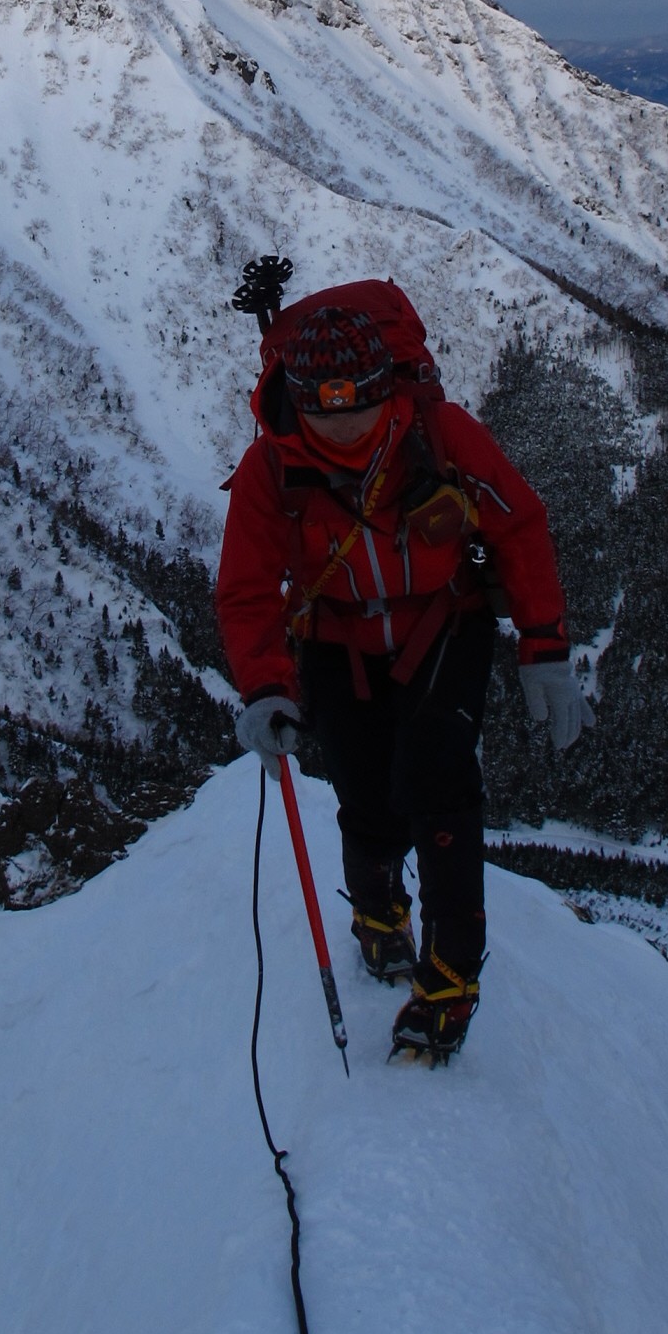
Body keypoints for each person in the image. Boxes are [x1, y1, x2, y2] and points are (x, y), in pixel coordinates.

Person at [216, 280, 591, 1063]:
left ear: (387, 386)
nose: (343, 424)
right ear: (297, 399)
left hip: (443, 625)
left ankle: (449, 979)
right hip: (335, 640)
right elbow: (246, 588)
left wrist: (544, 644)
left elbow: (518, 527)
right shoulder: (269, 469)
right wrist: (265, 686)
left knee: (438, 782)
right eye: (324, 410)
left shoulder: (439, 434)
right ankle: (379, 909)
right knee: (365, 794)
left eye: (358, 404)